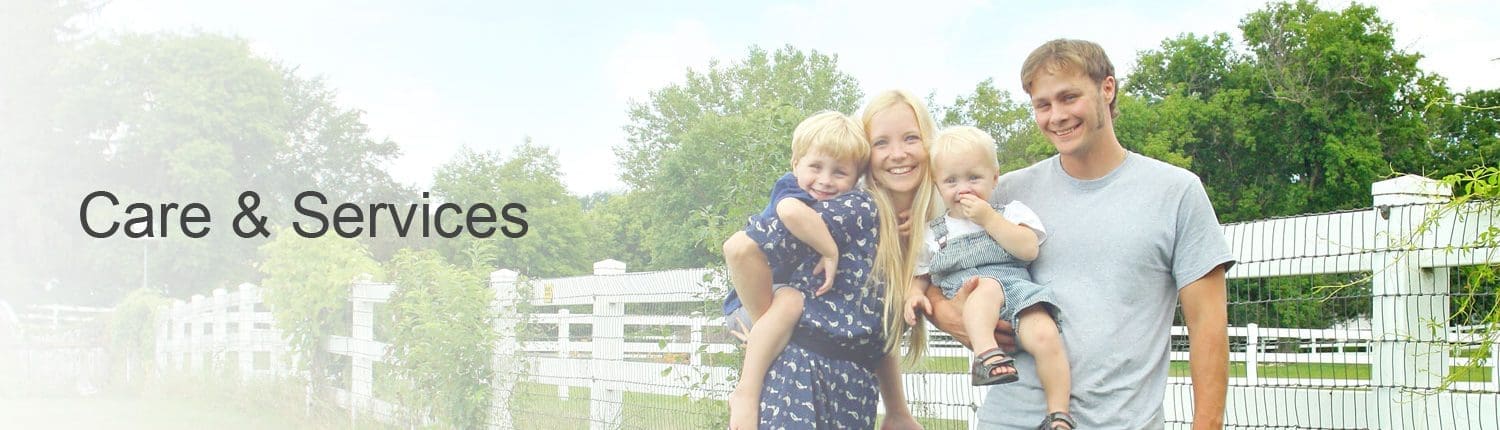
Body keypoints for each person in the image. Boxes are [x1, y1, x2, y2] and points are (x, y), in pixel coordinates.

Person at [923, 39, 1234, 429]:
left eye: (1069, 97)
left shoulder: (1176, 193)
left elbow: (1207, 325)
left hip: (1119, 420)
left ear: (1107, 88)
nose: (1057, 116)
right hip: (1009, 418)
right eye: (1043, 105)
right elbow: (924, 260)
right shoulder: (1004, 194)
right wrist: (946, 313)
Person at [721, 89, 944, 429]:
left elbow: (873, 329)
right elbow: (740, 249)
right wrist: (764, 321)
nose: (897, 153)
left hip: (855, 391)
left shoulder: (921, 233)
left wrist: (897, 410)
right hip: (800, 382)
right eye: (882, 143)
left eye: (911, 138)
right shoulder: (850, 211)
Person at [902, 126, 1074, 428]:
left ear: (995, 178)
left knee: (1047, 335)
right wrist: (915, 294)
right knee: (986, 288)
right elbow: (922, 276)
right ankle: (986, 356)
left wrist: (989, 218)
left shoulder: (1010, 212)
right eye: (951, 180)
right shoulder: (934, 232)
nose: (963, 188)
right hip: (972, 294)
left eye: (973, 178)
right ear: (938, 185)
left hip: (1018, 293)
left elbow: (1028, 248)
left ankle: (1058, 414)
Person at [723, 111, 869, 429]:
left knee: (791, 304)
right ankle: (745, 394)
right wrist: (829, 250)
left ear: (856, 177)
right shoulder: (791, 190)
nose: (825, 180)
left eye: (840, 172)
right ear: (796, 164)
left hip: (772, 308)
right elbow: (789, 212)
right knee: (791, 299)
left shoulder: (842, 203)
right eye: (815, 167)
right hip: (748, 302)